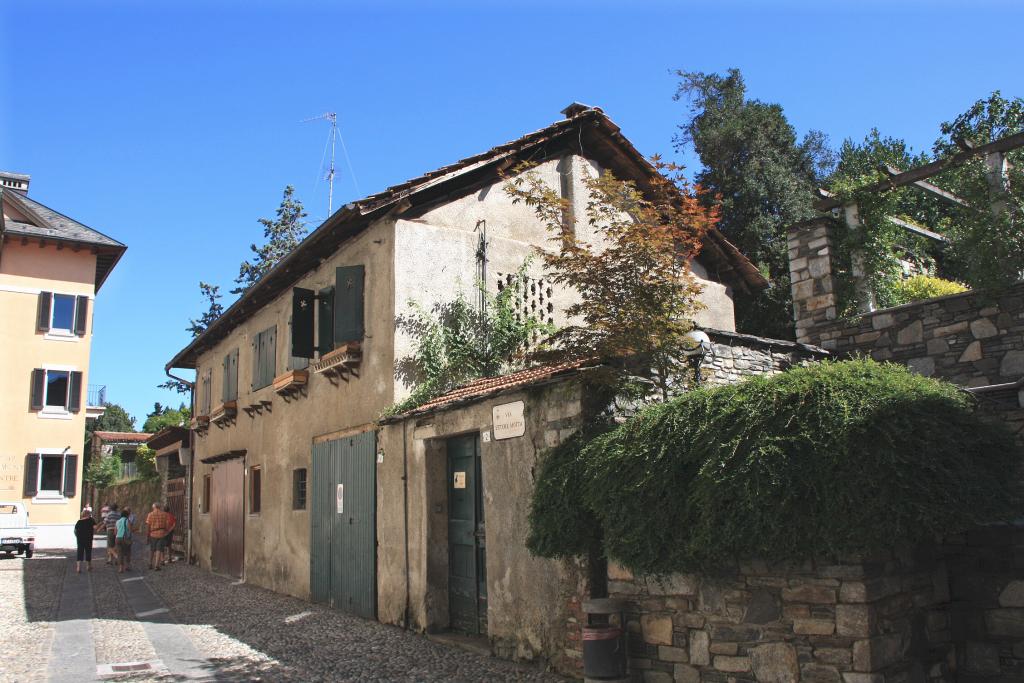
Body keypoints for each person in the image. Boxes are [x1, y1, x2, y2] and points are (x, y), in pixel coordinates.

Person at [145, 502, 170, 571]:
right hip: (161, 533)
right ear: (159, 507)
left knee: (152, 549)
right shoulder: (164, 514)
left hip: (153, 533)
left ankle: (150, 564)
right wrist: (165, 531)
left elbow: (148, 526)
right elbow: (167, 525)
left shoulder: (150, 514)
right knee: (159, 549)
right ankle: (156, 565)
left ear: (154, 507)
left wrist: (147, 535)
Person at [73, 509, 97, 573]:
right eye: (90, 514)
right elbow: (95, 528)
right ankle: (88, 566)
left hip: (80, 539)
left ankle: (78, 567)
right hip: (88, 538)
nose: (90, 515)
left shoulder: (79, 522)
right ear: (88, 514)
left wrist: (77, 536)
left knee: (80, 552)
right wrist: (92, 532)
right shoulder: (91, 520)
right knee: (88, 551)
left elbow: (75, 531)